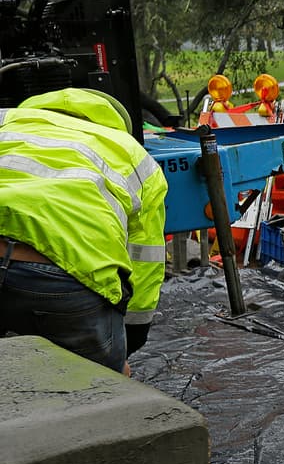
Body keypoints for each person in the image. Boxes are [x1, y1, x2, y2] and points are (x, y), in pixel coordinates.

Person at [0, 88, 168, 373]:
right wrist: (126, 344)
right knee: (100, 394)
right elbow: (146, 261)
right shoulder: (130, 152)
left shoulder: (6, 122)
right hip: (66, 279)